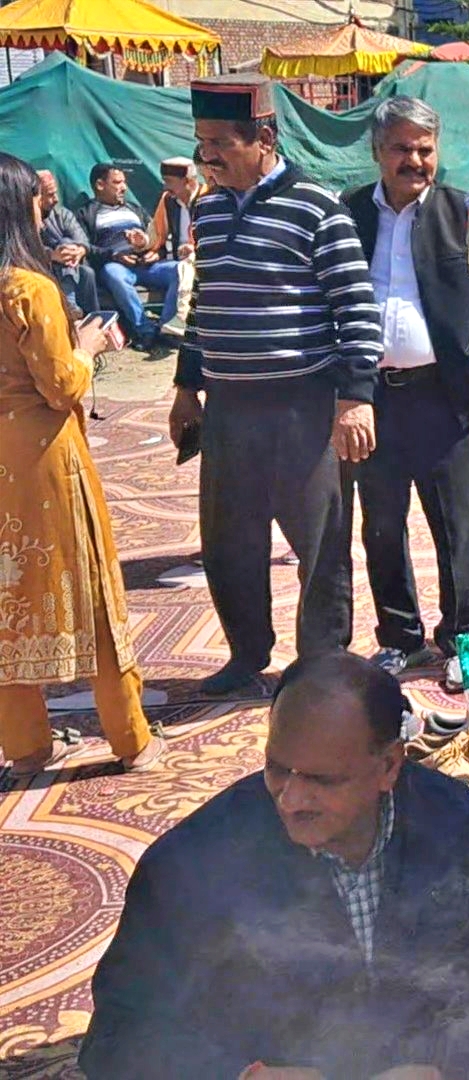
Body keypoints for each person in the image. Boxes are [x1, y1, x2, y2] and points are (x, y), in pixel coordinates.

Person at [79, 652, 469, 1080]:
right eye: (277, 769)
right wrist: (241, 1075)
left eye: (323, 781)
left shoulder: (465, 830)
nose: (291, 799)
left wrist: (452, 1066)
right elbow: (119, 1035)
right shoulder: (190, 866)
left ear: (390, 765)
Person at [170, 74, 377, 697]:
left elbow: (356, 310)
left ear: (262, 138)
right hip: (231, 406)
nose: (205, 157)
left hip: (304, 406)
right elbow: (203, 304)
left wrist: (355, 398)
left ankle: (320, 658)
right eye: (201, 143)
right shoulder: (205, 207)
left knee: (320, 541)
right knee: (228, 536)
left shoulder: (317, 207)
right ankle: (245, 653)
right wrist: (187, 388)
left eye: (218, 145)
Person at [343, 96, 469, 687]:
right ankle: (399, 639)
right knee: (381, 523)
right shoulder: (351, 212)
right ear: (379, 152)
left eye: (424, 149)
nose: (415, 160)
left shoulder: (466, 212)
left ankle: (462, 638)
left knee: (458, 523)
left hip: (444, 395)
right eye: (402, 148)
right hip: (372, 399)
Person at [0, 151, 164, 779]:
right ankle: (131, 739)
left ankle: (25, 745)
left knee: (9, 599)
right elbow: (62, 384)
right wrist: (89, 344)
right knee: (89, 590)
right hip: (45, 460)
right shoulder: (28, 290)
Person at [80, 162, 179, 349]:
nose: (124, 188)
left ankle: (167, 328)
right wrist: (114, 255)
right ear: (100, 185)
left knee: (180, 269)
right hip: (117, 266)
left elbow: (156, 236)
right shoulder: (88, 213)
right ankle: (145, 331)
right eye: (117, 183)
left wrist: (155, 253)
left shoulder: (135, 209)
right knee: (113, 274)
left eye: (124, 182)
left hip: (147, 264)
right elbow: (85, 247)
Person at [149, 157, 203, 338]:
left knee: (186, 266)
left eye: (169, 182)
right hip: (171, 262)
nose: (165, 187)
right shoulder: (168, 200)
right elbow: (156, 235)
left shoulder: (209, 198)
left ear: (188, 181)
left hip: (201, 261)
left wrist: (194, 248)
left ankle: (178, 320)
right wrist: (142, 243)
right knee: (179, 268)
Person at [36, 170, 99, 315]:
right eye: (50, 195)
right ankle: (70, 304)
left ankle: (93, 318)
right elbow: (25, 247)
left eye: (56, 193)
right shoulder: (25, 219)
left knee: (87, 272)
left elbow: (82, 240)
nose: (56, 199)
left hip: (72, 266)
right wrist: (52, 255)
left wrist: (78, 251)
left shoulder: (62, 214)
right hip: (42, 266)